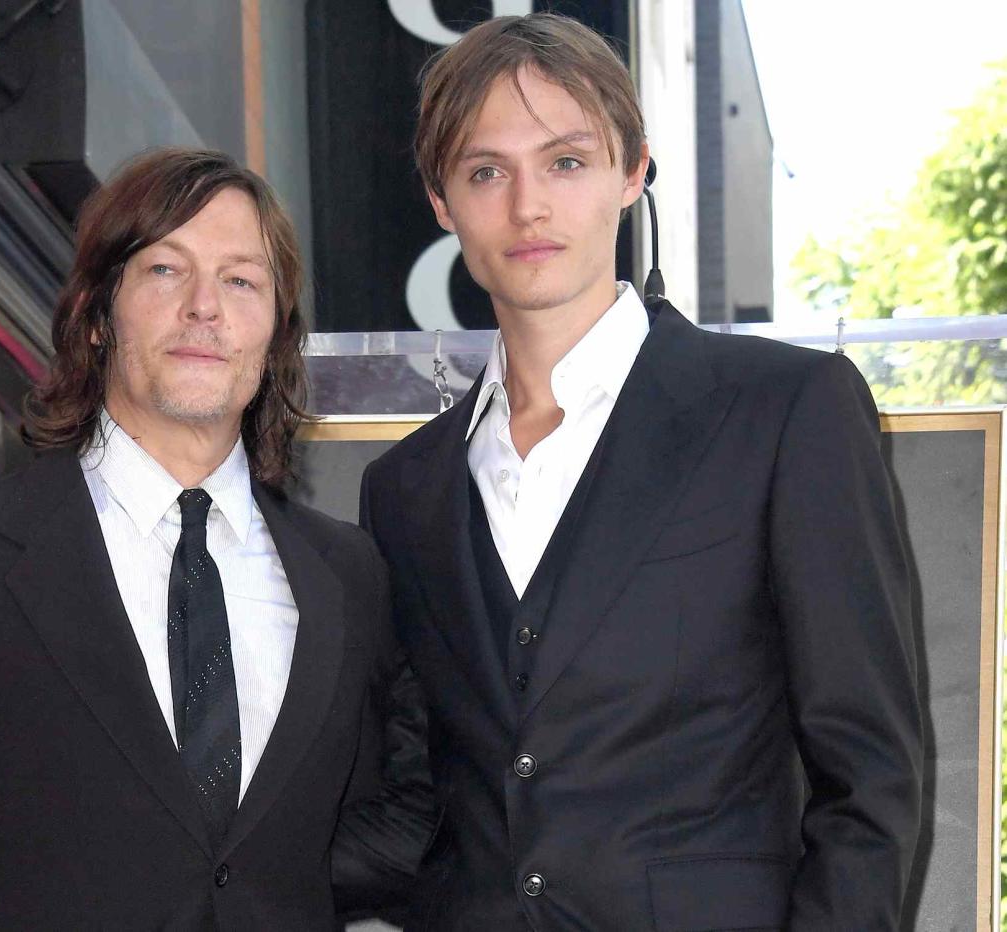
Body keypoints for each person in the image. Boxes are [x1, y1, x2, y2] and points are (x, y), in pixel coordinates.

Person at [352, 13, 923, 930]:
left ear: (633, 172)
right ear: (440, 200)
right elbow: (421, 799)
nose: (528, 207)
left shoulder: (786, 410)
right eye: (486, 171)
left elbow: (870, 777)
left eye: (566, 162)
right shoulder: (405, 490)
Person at [0, 148, 394, 931]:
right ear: (96, 314)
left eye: (241, 280)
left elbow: (372, 847)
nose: (205, 307)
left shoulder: (348, 579)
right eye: (165, 270)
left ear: (275, 333)